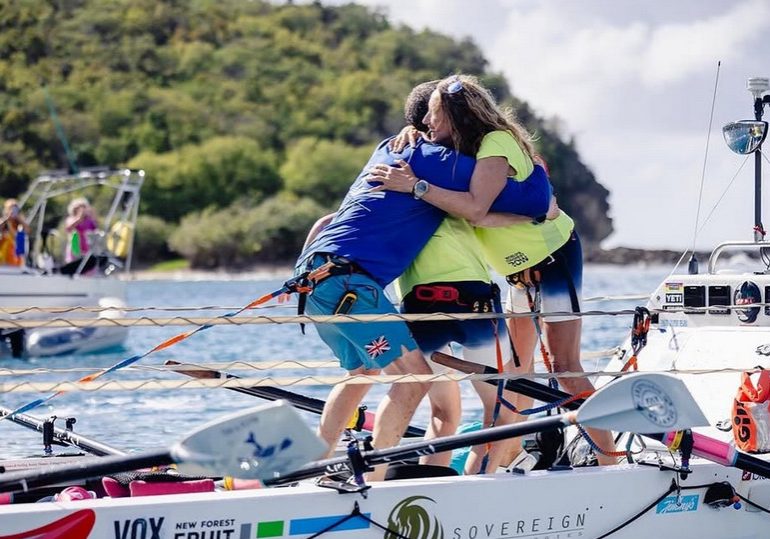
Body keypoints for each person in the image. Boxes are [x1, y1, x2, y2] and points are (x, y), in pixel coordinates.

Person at [296, 83, 552, 480]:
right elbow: (517, 196)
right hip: (360, 285)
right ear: (431, 122)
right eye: (431, 115)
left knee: (366, 376)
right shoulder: (436, 160)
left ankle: (314, 468)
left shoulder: (388, 149)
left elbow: (328, 222)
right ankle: (371, 478)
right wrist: (543, 200)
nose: (433, 121)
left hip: (316, 281)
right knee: (431, 384)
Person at [367, 74, 617, 466]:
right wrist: (411, 132)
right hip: (518, 275)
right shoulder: (458, 155)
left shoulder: (494, 144)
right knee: (516, 375)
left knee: (566, 368)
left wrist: (414, 186)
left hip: (553, 259)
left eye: (433, 115)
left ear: (455, 114)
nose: (428, 124)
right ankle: (500, 460)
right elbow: (481, 212)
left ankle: (609, 463)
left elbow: (476, 209)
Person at [392, 80, 555, 474]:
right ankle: (484, 475)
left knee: (441, 411)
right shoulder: (462, 166)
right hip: (472, 294)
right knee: (500, 399)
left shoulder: (401, 158)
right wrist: (532, 213)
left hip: (416, 298)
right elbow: (539, 204)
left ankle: (421, 480)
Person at [64, 197, 97, 263]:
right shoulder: (71, 219)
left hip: (86, 246)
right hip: (75, 246)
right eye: (79, 208)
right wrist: (79, 219)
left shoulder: (89, 220)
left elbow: (95, 230)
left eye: (83, 208)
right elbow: (68, 229)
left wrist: (92, 216)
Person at [0, 199, 29, 266]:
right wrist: (7, 219)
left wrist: (20, 220)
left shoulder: (18, 220)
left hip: (14, 248)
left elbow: (27, 230)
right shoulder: (4, 220)